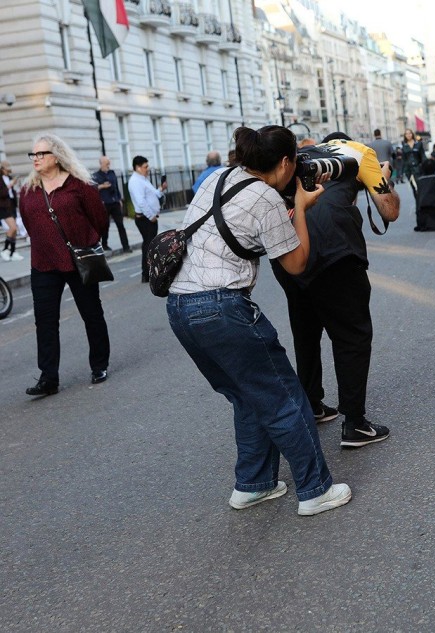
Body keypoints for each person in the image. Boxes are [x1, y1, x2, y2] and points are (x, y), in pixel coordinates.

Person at [167, 125, 352, 517]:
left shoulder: (218, 177)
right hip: (222, 308)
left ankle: (253, 485)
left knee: (246, 396)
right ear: (285, 162)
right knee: (285, 399)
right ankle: (315, 490)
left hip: (180, 308)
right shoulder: (266, 198)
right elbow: (297, 263)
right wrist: (301, 208)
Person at [270, 131, 400, 448]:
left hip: (288, 247)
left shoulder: (305, 153)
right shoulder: (361, 153)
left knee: (306, 329)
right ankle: (355, 424)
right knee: (352, 335)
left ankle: (312, 404)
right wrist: (383, 178)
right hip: (334, 249)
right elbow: (389, 210)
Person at [18, 134, 111, 396]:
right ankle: (49, 378)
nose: (35, 159)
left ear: (56, 156)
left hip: (79, 260)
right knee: (45, 322)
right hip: (44, 264)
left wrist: (88, 242)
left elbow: (99, 219)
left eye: (41, 154)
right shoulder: (28, 191)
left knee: (91, 314)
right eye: (33, 155)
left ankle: (99, 364)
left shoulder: (79, 186)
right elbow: (29, 224)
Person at [127, 155, 167, 283]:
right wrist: (151, 217)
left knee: (150, 245)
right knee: (148, 246)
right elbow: (141, 202)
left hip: (149, 218)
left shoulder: (143, 179)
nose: (147, 169)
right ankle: (147, 273)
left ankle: (151, 271)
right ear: (138, 168)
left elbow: (153, 194)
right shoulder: (135, 181)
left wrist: (161, 189)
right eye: (145, 167)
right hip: (145, 219)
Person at [92, 156, 131, 253]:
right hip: (105, 203)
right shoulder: (96, 175)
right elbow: (93, 189)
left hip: (115, 202)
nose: (108, 165)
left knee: (120, 225)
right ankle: (104, 245)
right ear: (101, 164)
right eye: (106, 164)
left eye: (109, 163)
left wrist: (119, 199)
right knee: (105, 225)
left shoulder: (112, 173)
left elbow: (116, 186)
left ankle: (126, 247)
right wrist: (102, 186)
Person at [0, 161, 23, 261]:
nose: (8, 171)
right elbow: (1, 194)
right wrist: (9, 185)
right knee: (12, 228)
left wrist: (15, 185)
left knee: (15, 229)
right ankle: (5, 249)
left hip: (12, 206)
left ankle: (12, 252)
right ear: (1, 169)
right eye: (6, 169)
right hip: (3, 207)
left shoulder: (9, 178)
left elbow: (11, 193)